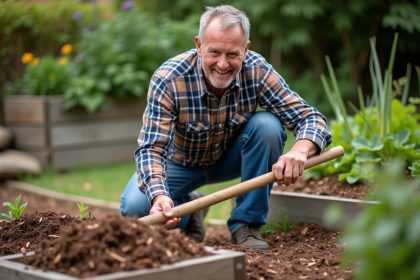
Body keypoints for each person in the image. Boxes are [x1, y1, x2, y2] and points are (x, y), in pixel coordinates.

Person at [120, 5, 332, 251]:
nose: (222, 64)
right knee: (134, 209)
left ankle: (246, 225)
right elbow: (151, 148)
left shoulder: (257, 70)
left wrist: (301, 150)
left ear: (246, 49)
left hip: (233, 158)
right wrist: (159, 196)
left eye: (232, 54)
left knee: (267, 126)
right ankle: (192, 211)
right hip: (179, 164)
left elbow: (311, 118)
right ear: (199, 46)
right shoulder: (169, 80)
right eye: (214, 52)